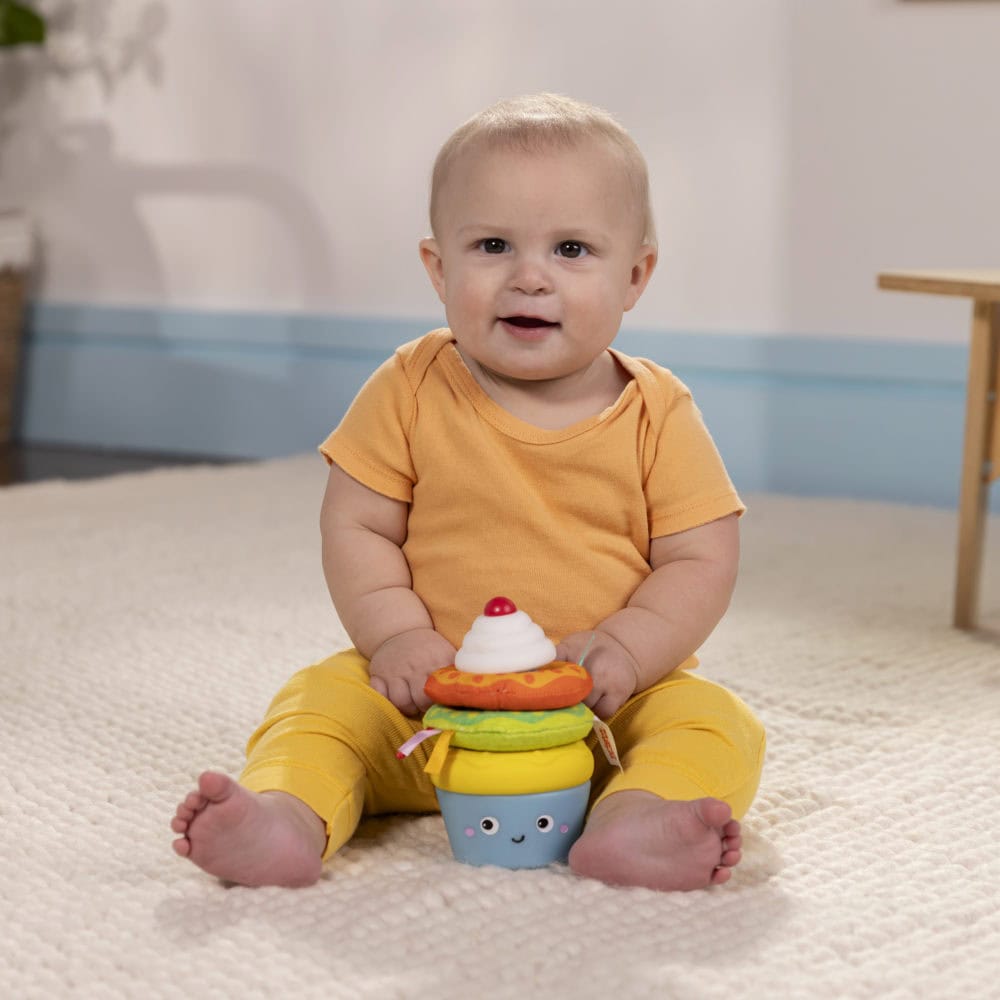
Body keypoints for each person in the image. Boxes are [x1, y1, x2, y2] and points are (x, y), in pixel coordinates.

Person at [171, 93, 765, 892]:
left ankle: (633, 817)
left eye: (572, 249)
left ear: (635, 276)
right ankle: (287, 817)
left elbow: (700, 557)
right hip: (425, 713)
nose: (530, 277)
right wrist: (395, 637)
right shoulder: (410, 387)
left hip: (598, 722)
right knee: (320, 704)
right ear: (439, 268)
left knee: (715, 723)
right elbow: (358, 526)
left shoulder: (659, 412)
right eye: (492, 245)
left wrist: (629, 649)